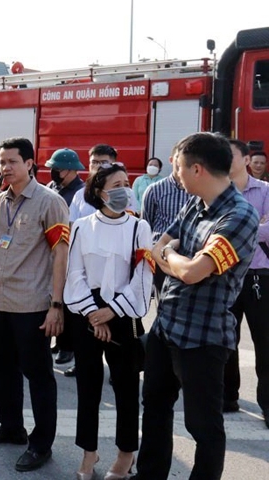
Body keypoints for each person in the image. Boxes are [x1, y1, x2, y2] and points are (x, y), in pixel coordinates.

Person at [134, 132, 259, 480]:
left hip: (203, 337)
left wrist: (171, 256)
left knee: (203, 426)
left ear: (198, 169)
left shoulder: (239, 216)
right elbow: (157, 244)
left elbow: (191, 271)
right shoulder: (195, 202)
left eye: (179, 168)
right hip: (166, 326)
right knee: (155, 408)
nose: (175, 175)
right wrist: (172, 256)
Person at [0, 137, 69, 473]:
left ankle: (41, 444)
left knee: (38, 376)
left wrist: (56, 304)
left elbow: (60, 254)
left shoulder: (48, 202)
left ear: (29, 163)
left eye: (12, 161)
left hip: (32, 306)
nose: (5, 168)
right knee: (3, 370)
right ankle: (11, 427)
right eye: (1, 161)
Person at [64, 163, 154, 479]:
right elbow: (74, 273)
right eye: (117, 184)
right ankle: (89, 453)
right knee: (87, 387)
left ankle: (126, 455)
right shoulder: (82, 226)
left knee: (126, 388)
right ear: (100, 192)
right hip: (86, 312)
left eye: (127, 183)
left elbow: (144, 276)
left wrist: (112, 311)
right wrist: (92, 312)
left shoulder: (138, 227)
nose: (124, 189)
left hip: (123, 314)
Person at [223, 139, 269, 425]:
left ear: (245, 159)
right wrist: (257, 225)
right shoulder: (218, 193)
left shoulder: (264, 190)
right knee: (227, 340)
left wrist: (237, 230)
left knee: (265, 342)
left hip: (258, 276)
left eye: (230, 155)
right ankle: (228, 396)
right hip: (225, 276)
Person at [45, 148, 86, 372]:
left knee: (68, 304)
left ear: (70, 170)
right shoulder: (53, 188)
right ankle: (59, 339)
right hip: (50, 254)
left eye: (57, 169)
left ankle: (68, 346)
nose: (53, 172)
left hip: (71, 254)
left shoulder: (81, 192)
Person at [140, 146, 192, 293]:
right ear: (171, 160)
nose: (182, 162)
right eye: (178, 157)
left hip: (190, 258)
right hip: (162, 257)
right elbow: (146, 224)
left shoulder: (198, 190)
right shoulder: (155, 190)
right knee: (164, 304)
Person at [69, 145, 136, 222]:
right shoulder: (80, 194)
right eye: (94, 162)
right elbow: (72, 222)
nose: (98, 166)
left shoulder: (126, 193)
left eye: (104, 162)